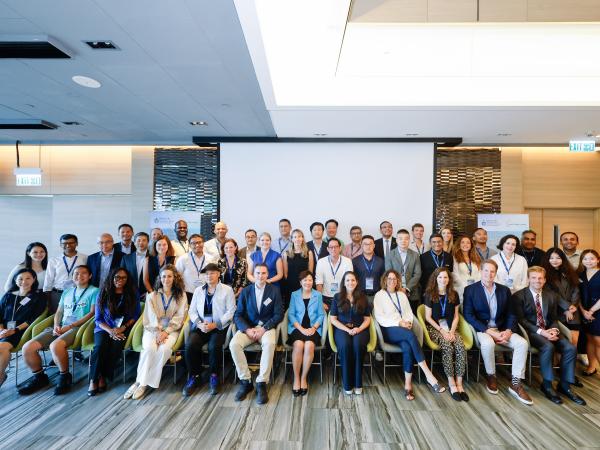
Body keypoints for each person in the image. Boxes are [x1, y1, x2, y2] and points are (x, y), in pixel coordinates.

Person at [19, 265, 98, 395]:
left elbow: (92, 313)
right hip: (60, 326)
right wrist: (56, 325)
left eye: (84, 273)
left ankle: (64, 376)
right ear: (72, 277)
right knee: (27, 348)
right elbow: (59, 311)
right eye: (76, 273)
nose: (79, 276)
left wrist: (70, 326)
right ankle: (39, 377)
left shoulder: (95, 291)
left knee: (55, 346)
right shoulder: (67, 292)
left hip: (78, 328)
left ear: (90, 276)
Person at [513, 266, 585, 405]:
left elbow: (553, 318)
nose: (537, 281)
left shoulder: (550, 295)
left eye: (540, 278)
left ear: (545, 280)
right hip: (532, 332)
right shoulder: (519, 296)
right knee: (548, 346)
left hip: (550, 330)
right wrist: (542, 332)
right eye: (533, 277)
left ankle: (565, 385)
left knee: (570, 348)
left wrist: (554, 330)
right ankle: (547, 385)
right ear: (528, 279)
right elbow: (521, 320)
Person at [463, 260, 531, 404]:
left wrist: (508, 331)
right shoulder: (470, 290)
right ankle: (491, 376)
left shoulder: (504, 290)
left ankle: (515, 383)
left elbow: (511, 314)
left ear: (496, 273)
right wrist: (489, 332)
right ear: (481, 272)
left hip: (502, 328)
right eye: (486, 271)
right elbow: (469, 315)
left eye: (492, 271)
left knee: (522, 343)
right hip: (483, 329)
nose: (489, 274)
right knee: (488, 344)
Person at [373, 269, 445, 400]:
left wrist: (408, 322)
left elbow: (408, 313)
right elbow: (379, 317)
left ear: (398, 281)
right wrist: (399, 322)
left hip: (404, 329)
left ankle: (408, 386)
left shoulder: (402, 295)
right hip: (388, 329)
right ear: (384, 280)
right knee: (411, 336)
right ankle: (428, 374)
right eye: (389, 279)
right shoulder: (380, 295)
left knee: (407, 347)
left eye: (394, 279)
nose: (392, 281)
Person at [124, 265, 187, 400]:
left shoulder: (181, 295)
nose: (166, 279)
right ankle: (139, 382)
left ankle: (141, 383)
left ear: (174, 278)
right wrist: (159, 331)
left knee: (163, 350)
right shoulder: (152, 295)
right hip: (153, 330)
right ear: (160, 278)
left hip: (172, 330)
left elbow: (180, 317)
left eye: (169, 276)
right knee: (149, 349)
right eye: (163, 276)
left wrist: (167, 331)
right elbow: (150, 317)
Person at [230, 264, 283, 404]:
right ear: (253, 274)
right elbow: (238, 315)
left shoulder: (274, 291)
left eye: (264, 273)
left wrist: (264, 328)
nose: (261, 276)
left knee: (270, 344)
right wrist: (247, 329)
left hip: (266, 328)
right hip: (249, 328)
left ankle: (261, 383)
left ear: (267, 275)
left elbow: (279, 314)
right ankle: (246, 381)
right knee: (234, 344)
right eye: (258, 273)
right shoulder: (246, 291)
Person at [183, 263, 236, 397]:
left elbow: (231, 311)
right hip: (201, 326)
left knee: (214, 346)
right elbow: (192, 310)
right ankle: (195, 376)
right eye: (206, 274)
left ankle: (214, 376)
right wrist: (199, 323)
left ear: (218, 274)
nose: (209, 276)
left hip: (218, 327)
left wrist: (215, 324)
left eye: (212, 273)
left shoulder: (227, 290)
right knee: (190, 345)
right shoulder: (198, 290)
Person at [88, 267, 140, 396]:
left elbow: (135, 315)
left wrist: (123, 328)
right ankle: (94, 379)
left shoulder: (132, 293)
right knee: (99, 347)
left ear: (127, 279)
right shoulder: (103, 293)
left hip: (123, 328)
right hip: (104, 328)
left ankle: (103, 376)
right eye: (117, 277)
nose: (120, 280)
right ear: (112, 277)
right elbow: (98, 318)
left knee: (116, 346)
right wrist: (110, 331)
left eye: (123, 277)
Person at [423, 267, 468, 402]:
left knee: (460, 346)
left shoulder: (453, 294)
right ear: (435, 279)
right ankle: (451, 383)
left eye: (446, 277)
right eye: (440, 277)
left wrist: (452, 331)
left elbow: (456, 316)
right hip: (435, 328)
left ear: (449, 279)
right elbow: (428, 318)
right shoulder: (429, 294)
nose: (443, 280)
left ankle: (460, 383)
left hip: (450, 328)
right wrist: (442, 331)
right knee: (448, 346)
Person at [0, 269, 46, 387]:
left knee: (2, 348)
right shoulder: (8, 295)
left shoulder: (38, 296)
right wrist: (1, 330)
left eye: (28, 278)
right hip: (3, 330)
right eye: (20, 278)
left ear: (34, 279)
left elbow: (33, 319)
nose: (24, 281)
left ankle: (0, 377)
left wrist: (13, 330)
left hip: (21, 330)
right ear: (15, 280)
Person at [330, 271, 371, 395]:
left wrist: (358, 329)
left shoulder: (363, 297)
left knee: (358, 346)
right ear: (344, 283)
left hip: (360, 329)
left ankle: (358, 383)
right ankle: (347, 384)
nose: (350, 282)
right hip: (342, 329)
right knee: (344, 346)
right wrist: (347, 330)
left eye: (353, 280)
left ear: (357, 282)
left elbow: (367, 319)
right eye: (347, 280)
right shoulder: (337, 297)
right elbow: (333, 319)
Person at [287, 271, 325, 396]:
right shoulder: (294, 294)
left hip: (313, 328)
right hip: (297, 328)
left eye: (310, 280)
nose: (308, 282)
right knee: (298, 345)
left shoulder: (318, 295)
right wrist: (301, 328)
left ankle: (304, 378)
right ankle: (296, 378)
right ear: (300, 282)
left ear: (312, 282)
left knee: (309, 346)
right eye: (305, 280)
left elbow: (321, 315)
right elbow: (291, 314)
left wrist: (314, 328)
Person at [542, 248, 581, 350]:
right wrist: (567, 308)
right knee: (559, 341)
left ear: (563, 259)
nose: (555, 260)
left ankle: (571, 364)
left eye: (558, 258)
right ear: (547, 259)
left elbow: (576, 290)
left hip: (573, 310)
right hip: (556, 310)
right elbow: (552, 294)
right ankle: (558, 364)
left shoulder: (568, 272)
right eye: (552, 258)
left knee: (574, 340)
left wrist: (573, 306)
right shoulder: (544, 274)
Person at [43, 234, 87, 313]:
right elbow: (48, 279)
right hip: (57, 294)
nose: (68, 245)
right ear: (60, 245)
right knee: (56, 317)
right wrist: (47, 299)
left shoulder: (85, 258)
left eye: (71, 243)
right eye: (64, 243)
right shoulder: (54, 260)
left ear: (77, 243)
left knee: (75, 316)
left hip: (78, 293)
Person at [385, 229, 421, 310]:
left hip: (412, 292)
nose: (403, 241)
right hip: (395, 291)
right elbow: (389, 274)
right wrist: (399, 288)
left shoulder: (415, 255)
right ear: (396, 240)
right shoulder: (390, 255)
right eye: (400, 238)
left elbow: (417, 274)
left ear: (409, 240)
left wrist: (407, 289)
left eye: (406, 238)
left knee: (412, 317)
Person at [175, 234, 216, 303]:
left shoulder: (211, 259)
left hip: (206, 294)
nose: (197, 245)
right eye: (193, 243)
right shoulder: (183, 259)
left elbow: (215, 277)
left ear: (203, 243)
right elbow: (177, 277)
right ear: (190, 245)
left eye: (199, 242)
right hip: (188, 294)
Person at [315, 238, 353, 311]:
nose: (333, 249)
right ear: (327, 249)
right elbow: (319, 283)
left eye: (336, 247)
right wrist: (320, 302)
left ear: (340, 248)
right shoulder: (321, 262)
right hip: (325, 298)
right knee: (326, 321)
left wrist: (349, 299)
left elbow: (349, 282)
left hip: (342, 298)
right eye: (331, 247)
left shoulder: (347, 261)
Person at [579, 249, 600, 377]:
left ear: (598, 260)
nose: (588, 261)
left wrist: (591, 311)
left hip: (597, 311)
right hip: (584, 311)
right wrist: (583, 311)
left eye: (592, 258)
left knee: (598, 340)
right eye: (585, 259)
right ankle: (592, 366)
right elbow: (577, 296)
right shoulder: (580, 275)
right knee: (589, 339)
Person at [283, 229, 314, 306]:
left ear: (302, 238)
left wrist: (306, 283)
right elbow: (285, 274)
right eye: (295, 237)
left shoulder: (309, 253)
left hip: (304, 285)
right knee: (291, 308)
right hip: (291, 286)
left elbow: (310, 271)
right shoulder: (286, 254)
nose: (297, 239)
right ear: (292, 239)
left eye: (299, 236)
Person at [353, 236, 385, 305]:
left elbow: (383, 279)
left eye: (370, 244)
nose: (368, 246)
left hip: (377, 296)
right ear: (361, 245)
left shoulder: (381, 261)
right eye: (365, 244)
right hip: (360, 296)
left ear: (374, 245)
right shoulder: (355, 261)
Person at [120, 231, 150, 299]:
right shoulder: (126, 258)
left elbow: (156, 277)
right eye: (138, 240)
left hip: (148, 295)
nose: (141, 243)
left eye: (144, 240)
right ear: (135, 243)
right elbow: (121, 276)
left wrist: (150, 292)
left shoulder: (153, 258)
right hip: (129, 294)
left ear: (148, 242)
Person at [452, 235, 482, 302]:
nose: (465, 244)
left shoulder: (476, 258)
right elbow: (455, 274)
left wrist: (475, 286)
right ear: (459, 245)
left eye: (468, 242)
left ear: (471, 245)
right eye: (463, 242)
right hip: (461, 289)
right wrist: (466, 286)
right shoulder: (454, 258)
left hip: (476, 290)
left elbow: (480, 273)